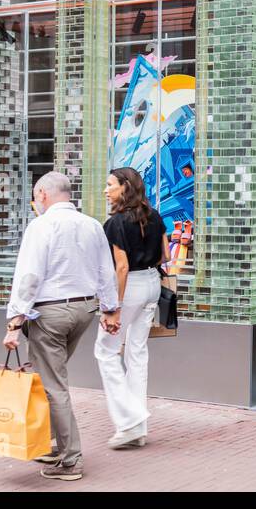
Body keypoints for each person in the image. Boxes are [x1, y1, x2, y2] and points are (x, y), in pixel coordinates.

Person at [3, 172, 120, 482]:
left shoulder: (41, 226)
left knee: (52, 385)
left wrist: (15, 320)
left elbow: (29, 277)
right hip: (83, 309)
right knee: (49, 378)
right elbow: (105, 271)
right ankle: (53, 444)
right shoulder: (92, 225)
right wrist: (109, 309)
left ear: (43, 194)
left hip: (50, 313)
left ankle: (70, 459)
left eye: (35, 196)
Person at [95, 167, 167, 449]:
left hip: (131, 287)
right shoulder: (155, 215)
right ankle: (139, 429)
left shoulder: (115, 224)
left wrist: (114, 307)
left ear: (125, 187)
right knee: (136, 353)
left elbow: (121, 267)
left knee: (105, 351)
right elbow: (166, 255)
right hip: (152, 283)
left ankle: (129, 420)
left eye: (110, 184)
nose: (105, 190)